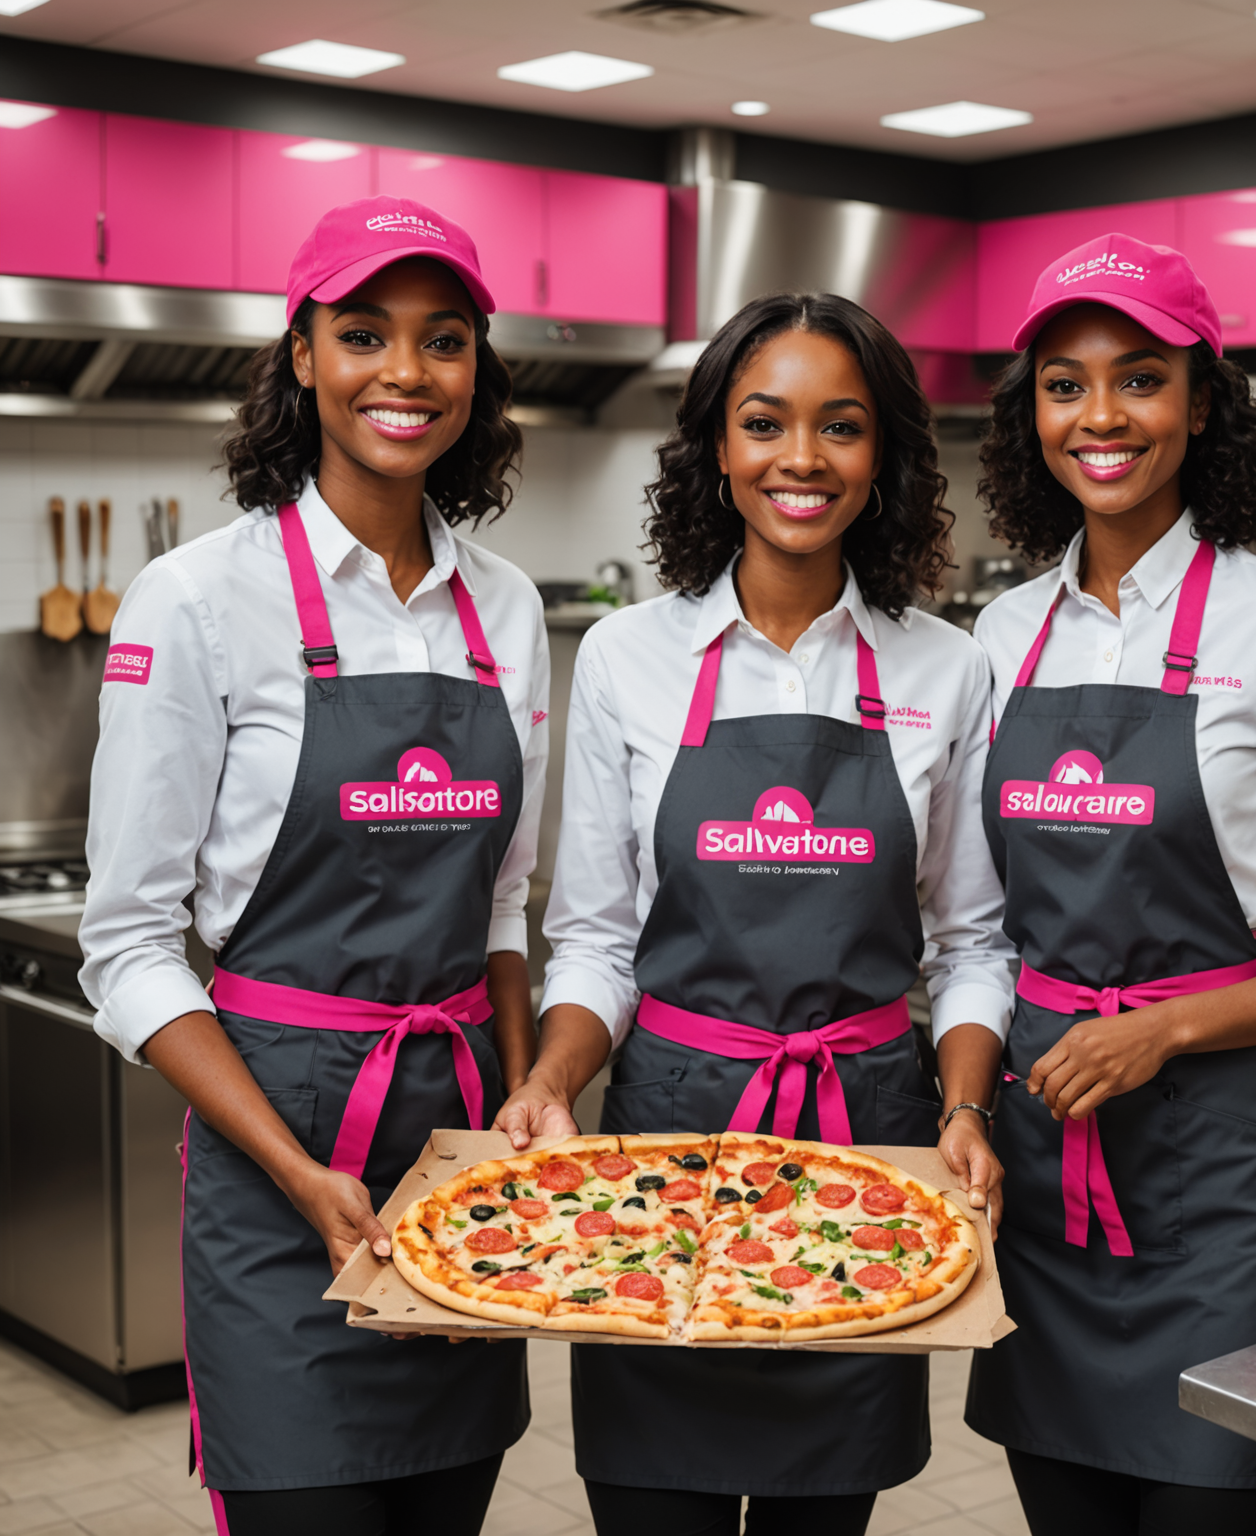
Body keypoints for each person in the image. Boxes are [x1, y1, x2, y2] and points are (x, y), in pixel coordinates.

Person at [498, 291, 1013, 1536]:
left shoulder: (947, 667)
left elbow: (972, 943)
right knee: (651, 1506)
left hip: (864, 1148)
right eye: (765, 423)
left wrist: (960, 1107)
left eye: (840, 427)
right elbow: (598, 939)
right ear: (716, 448)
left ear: (881, 454)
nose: (802, 459)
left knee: (821, 1513)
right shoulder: (628, 656)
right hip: (667, 1143)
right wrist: (553, 1080)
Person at [964, 233, 1256, 1535]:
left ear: (1202, 402)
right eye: (1064, 384)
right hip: (1041, 1164)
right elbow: (981, 927)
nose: (1101, 416)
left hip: (1213, 1186)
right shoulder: (1006, 633)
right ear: (1032, 418)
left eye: (1140, 379)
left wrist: (1167, 1028)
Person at [78, 197, 549, 1536]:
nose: (405, 371)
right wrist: (297, 1173)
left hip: (457, 1172)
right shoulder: (195, 597)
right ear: (301, 355)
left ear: (478, 370)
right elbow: (127, 943)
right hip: (280, 1167)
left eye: (443, 339)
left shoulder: (504, 604)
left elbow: (505, 902)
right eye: (364, 333)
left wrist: (518, 1104)